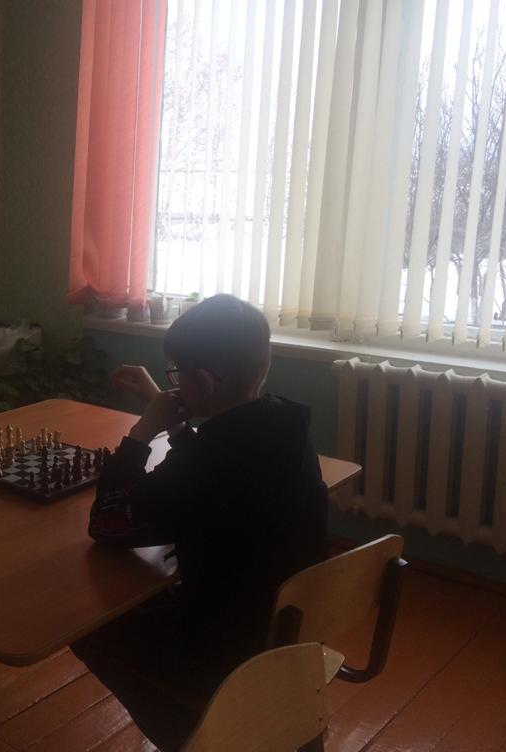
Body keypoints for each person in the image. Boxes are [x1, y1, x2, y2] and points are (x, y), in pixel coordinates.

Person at [71, 294, 327, 751]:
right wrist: (164, 404)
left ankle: (200, 737)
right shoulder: (287, 427)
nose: (174, 382)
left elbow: (108, 524)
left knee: (86, 623)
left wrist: (141, 432)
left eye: (177, 374)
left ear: (206, 380)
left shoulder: (207, 465)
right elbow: (222, 458)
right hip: (282, 631)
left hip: (223, 649)